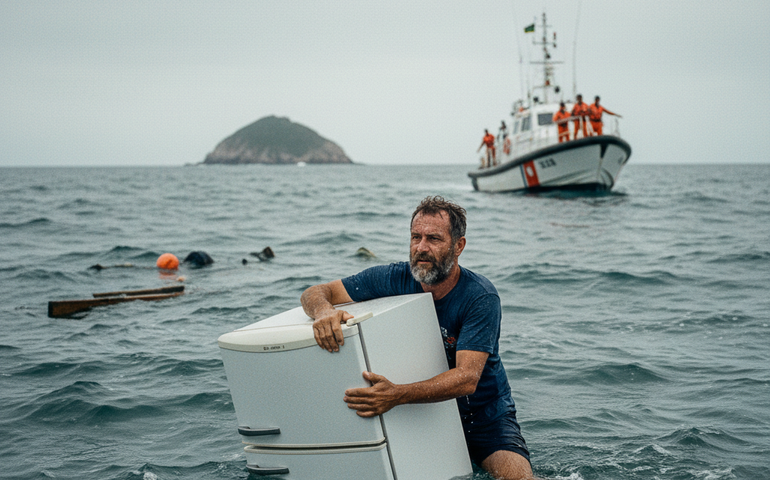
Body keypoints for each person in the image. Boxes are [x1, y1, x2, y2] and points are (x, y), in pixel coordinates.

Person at [301, 196, 535, 480]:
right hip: (421, 412)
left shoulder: (480, 297)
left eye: (434, 239)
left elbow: (466, 378)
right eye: (416, 237)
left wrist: (396, 395)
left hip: (484, 418)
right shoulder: (394, 278)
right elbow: (317, 291)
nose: (421, 248)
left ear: (458, 245)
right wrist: (324, 311)